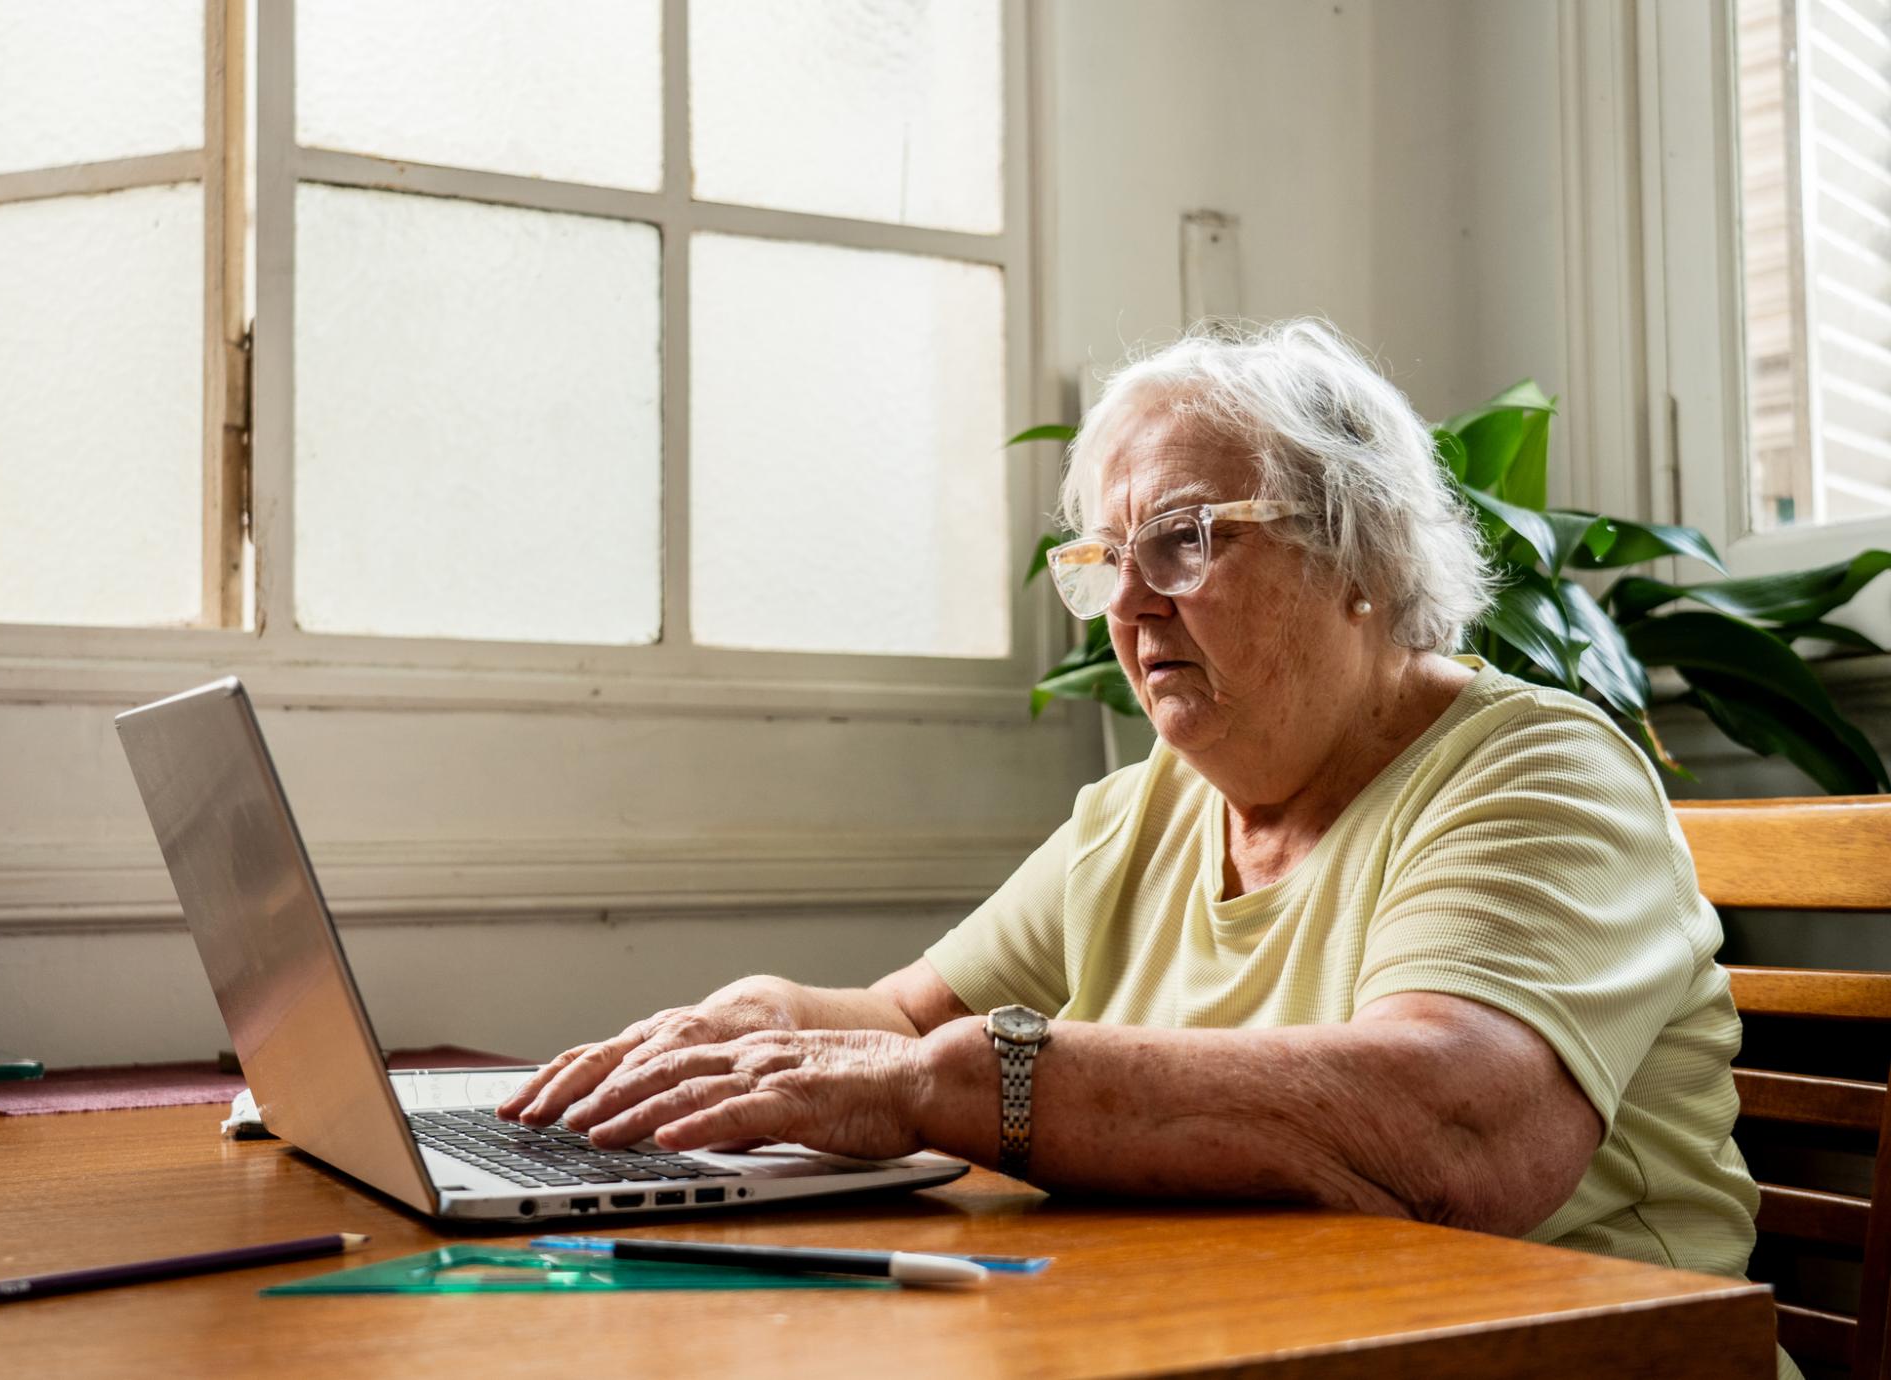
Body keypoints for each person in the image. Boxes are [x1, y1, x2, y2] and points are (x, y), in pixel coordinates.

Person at [501, 320, 1761, 1301]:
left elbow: (1452, 1122)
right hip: (1269, 1335)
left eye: (1182, 541)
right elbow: (892, 1022)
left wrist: (939, 1082)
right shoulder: (1144, 812)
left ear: (1360, 556)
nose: (1129, 605)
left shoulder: (1533, 771)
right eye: (1107, 560)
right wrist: (746, 1030)